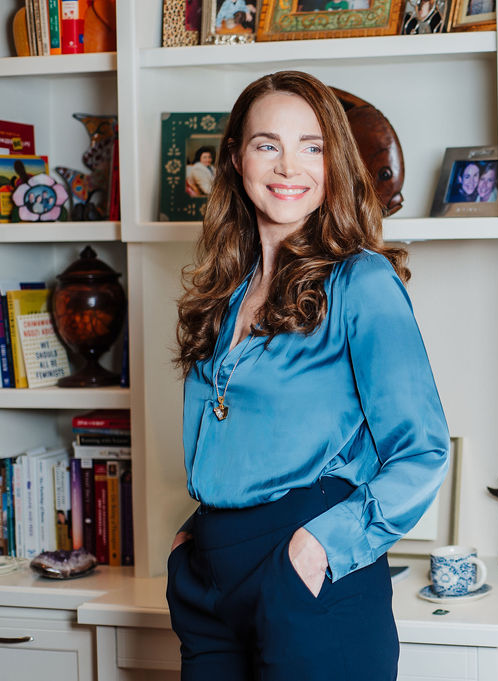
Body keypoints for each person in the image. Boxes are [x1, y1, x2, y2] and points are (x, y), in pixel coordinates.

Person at [169, 70, 449, 680]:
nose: (287, 166)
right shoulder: (222, 294)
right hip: (209, 581)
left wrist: (321, 546)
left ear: (334, 164)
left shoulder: (361, 282)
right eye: (268, 144)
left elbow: (422, 450)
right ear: (237, 161)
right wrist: (192, 540)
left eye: (311, 146)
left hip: (304, 573)